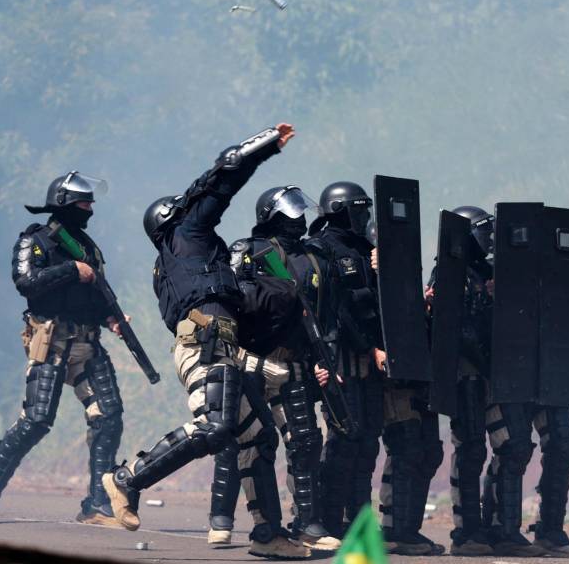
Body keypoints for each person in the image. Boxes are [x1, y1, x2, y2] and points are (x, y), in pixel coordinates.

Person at [103, 124, 307, 559]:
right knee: (215, 428)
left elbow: (230, 305)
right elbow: (220, 180)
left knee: (258, 437)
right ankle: (127, 478)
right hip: (207, 346)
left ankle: (269, 536)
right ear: (173, 219)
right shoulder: (186, 234)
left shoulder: (182, 264)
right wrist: (264, 147)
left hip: (220, 346)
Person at [0, 172, 126, 526]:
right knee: (37, 420)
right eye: (83, 203)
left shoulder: (88, 247)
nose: (90, 209)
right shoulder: (36, 241)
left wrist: (112, 316)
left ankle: (97, 503)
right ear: (64, 204)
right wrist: (70, 270)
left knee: (109, 416)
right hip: (51, 340)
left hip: (87, 342)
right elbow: (26, 282)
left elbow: (97, 292)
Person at [220, 185, 340, 551]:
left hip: (297, 361)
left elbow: (328, 314)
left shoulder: (314, 256)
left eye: (300, 214)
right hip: (255, 360)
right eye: (289, 214)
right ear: (270, 216)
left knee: (305, 442)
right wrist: (282, 298)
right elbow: (237, 300)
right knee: (258, 444)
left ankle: (308, 525)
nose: (297, 221)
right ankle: (266, 529)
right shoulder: (249, 252)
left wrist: (325, 359)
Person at [427, 205, 546, 557]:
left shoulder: (490, 274)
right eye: (485, 232)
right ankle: (467, 533)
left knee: (514, 445)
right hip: (468, 376)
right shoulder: (448, 273)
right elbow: (458, 329)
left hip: (495, 376)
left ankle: (504, 529)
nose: (491, 239)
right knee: (471, 450)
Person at [305, 182, 385, 540]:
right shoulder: (321, 250)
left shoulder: (366, 250)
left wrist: (383, 272)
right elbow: (338, 308)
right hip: (339, 358)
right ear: (340, 210)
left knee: (367, 442)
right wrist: (368, 347)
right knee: (342, 440)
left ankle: (358, 523)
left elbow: (377, 305)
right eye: (359, 209)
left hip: (368, 359)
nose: (365, 216)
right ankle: (327, 519)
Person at [370, 246, 446, 556]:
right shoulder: (369, 280)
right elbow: (362, 318)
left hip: (419, 379)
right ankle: (393, 528)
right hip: (394, 382)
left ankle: (408, 529)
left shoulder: (405, 281)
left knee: (428, 453)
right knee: (405, 447)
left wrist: (427, 307)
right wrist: (373, 349)